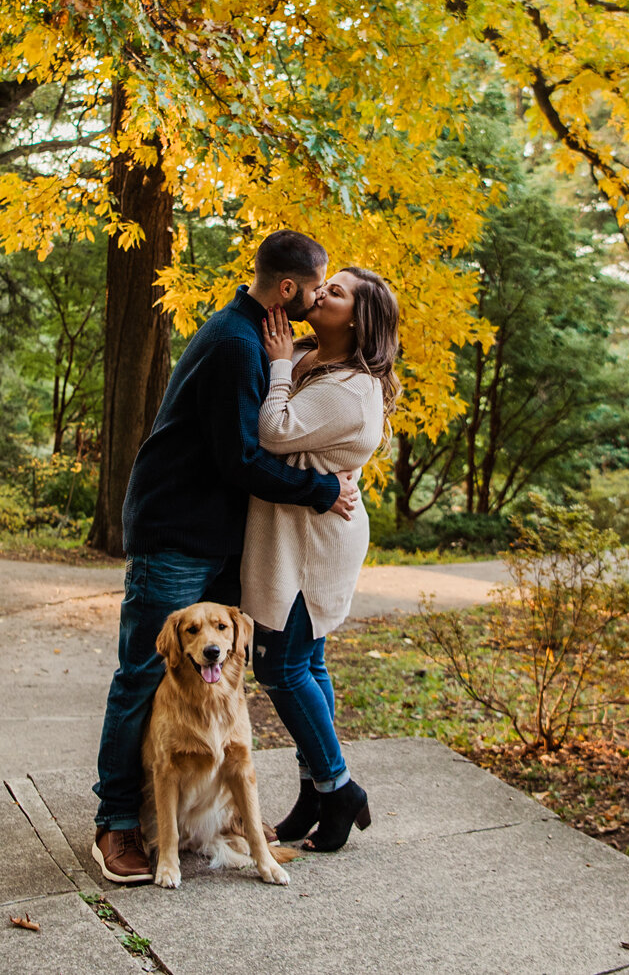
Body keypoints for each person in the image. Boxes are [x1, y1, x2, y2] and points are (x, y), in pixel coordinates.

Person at [90, 230, 362, 885]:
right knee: (141, 676)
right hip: (176, 533)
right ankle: (116, 824)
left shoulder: (251, 338)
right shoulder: (236, 343)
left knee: (219, 673)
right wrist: (324, 489)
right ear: (289, 289)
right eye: (318, 285)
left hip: (210, 538)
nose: (321, 294)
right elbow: (242, 456)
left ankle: (221, 810)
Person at [242, 266, 400, 853]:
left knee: (281, 668)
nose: (320, 292)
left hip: (313, 541)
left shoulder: (351, 388)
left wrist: (279, 365)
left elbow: (275, 431)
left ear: (358, 318)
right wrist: (288, 359)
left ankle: (340, 789)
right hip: (303, 524)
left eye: (336, 292)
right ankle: (315, 793)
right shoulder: (311, 355)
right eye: (324, 284)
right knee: (308, 664)